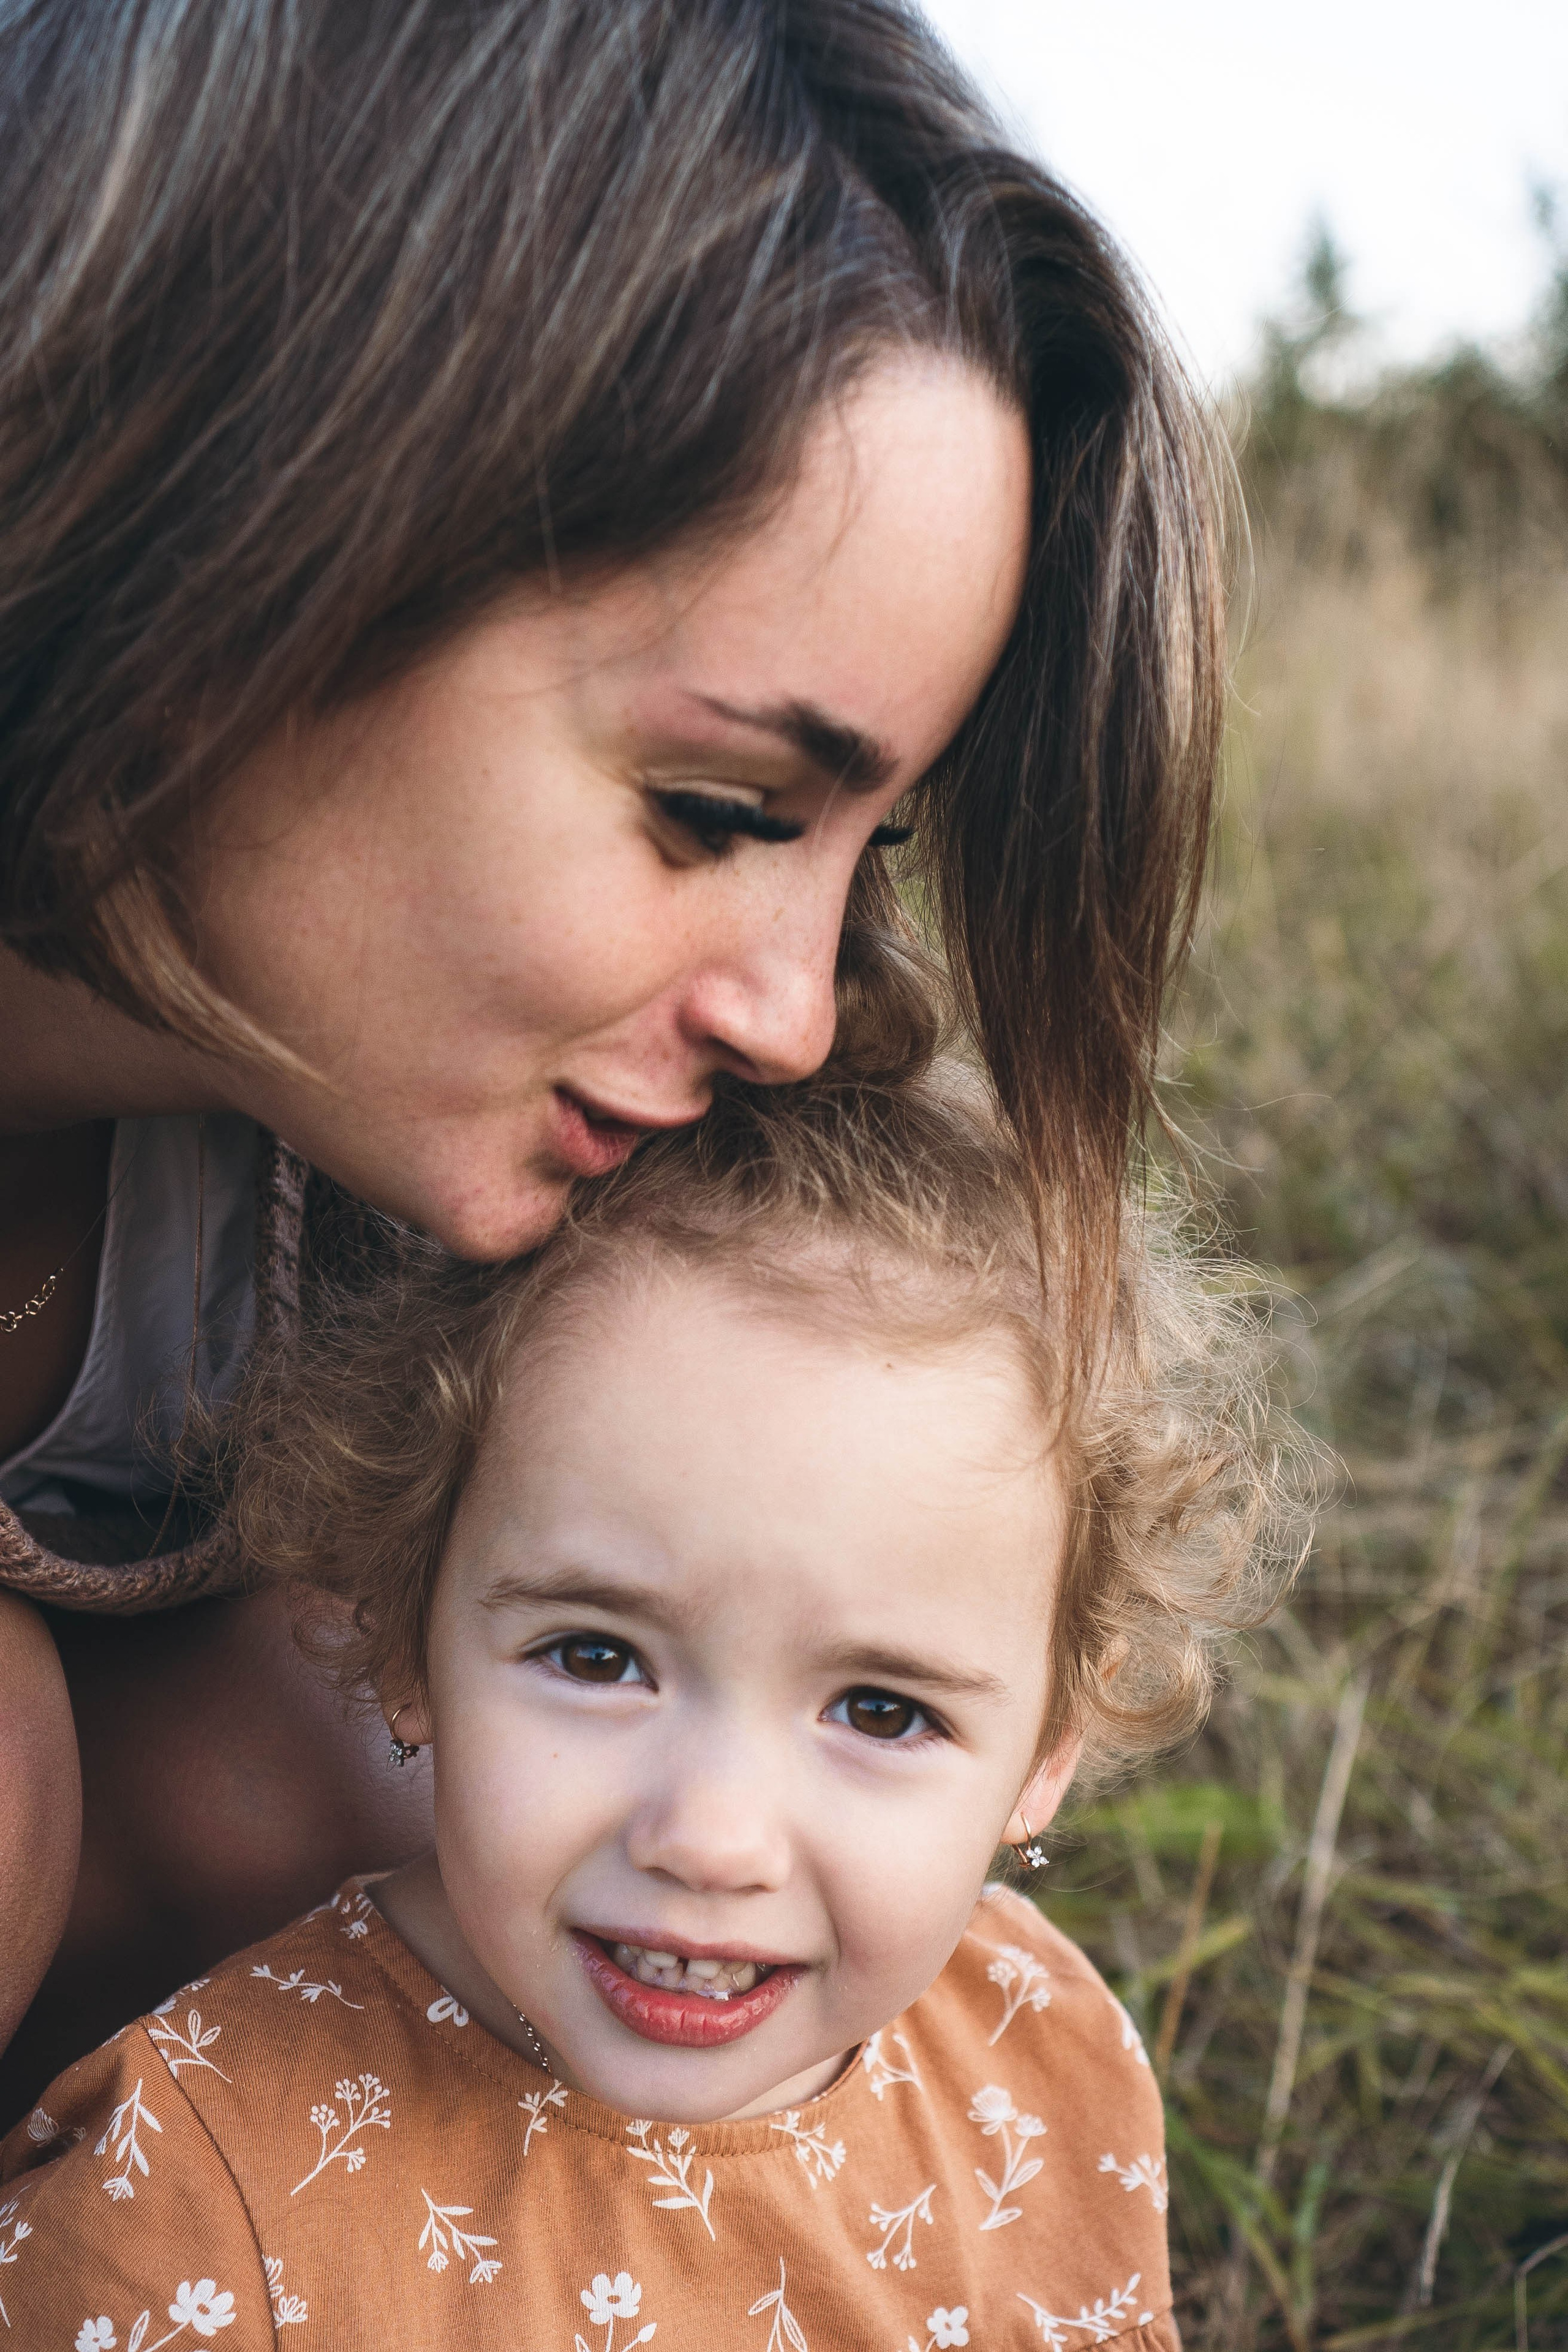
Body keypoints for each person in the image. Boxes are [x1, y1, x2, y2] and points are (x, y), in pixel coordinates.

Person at [0, 0, 1227, 2109]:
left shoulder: (435, 1155)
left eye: (866, 848)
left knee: (453, 1759)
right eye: (721, 808)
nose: (798, 1011)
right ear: (255, 530)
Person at [0, 1057, 1303, 2350]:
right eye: (596, 1658)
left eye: (880, 1713)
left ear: (1044, 1755)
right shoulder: (182, 2222)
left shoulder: (1045, 2060)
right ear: (404, 1636)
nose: (711, 1840)